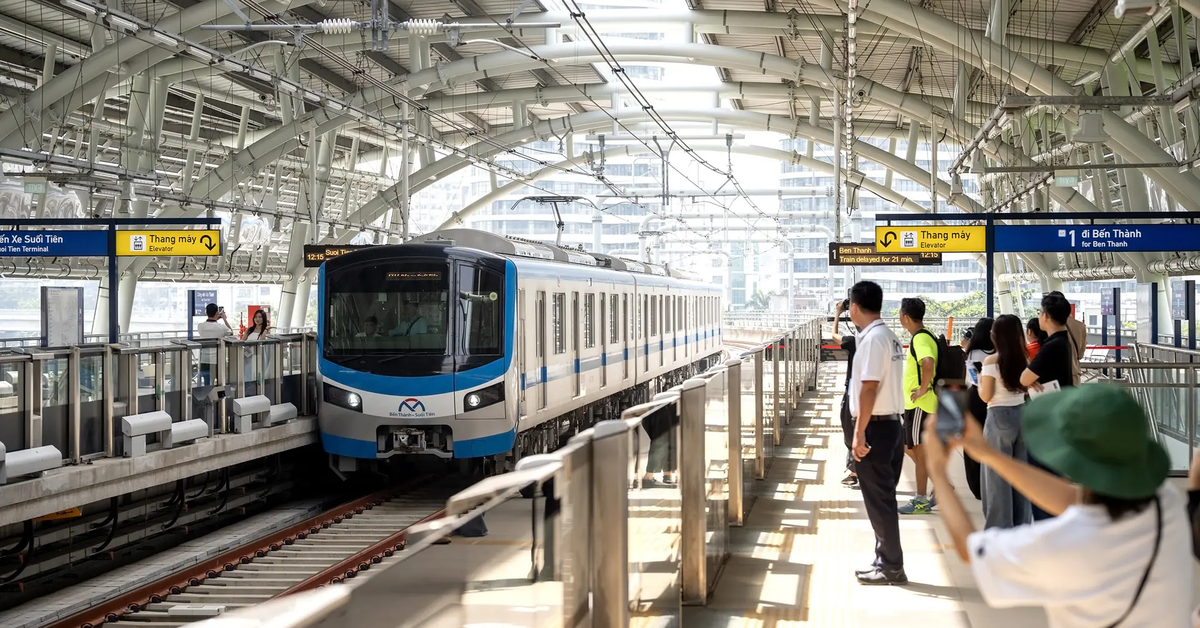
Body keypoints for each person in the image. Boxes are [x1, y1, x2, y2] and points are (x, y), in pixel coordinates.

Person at [923, 385, 1191, 628]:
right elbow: (1071, 498)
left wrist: (937, 469)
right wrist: (989, 455)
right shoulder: (1165, 501)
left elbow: (969, 547)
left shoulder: (1067, 543)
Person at [846, 281, 908, 585]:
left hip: (876, 429)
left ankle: (891, 566)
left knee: (880, 501)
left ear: (855, 307)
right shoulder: (890, 337)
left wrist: (859, 434)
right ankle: (885, 558)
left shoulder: (872, 340)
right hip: (892, 425)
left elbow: (869, 389)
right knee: (884, 499)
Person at [1021, 292, 1076, 522]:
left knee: (1042, 475)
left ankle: (1047, 524)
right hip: (1059, 414)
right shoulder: (1062, 340)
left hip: (1050, 419)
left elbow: (1024, 378)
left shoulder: (1053, 345)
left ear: (1045, 316)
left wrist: (1029, 376)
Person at [978, 314, 1031, 529]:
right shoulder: (1024, 360)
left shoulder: (991, 361)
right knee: (1020, 473)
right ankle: (1021, 525)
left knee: (997, 475)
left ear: (995, 335)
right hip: (1022, 414)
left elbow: (986, 395)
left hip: (998, 416)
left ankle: (999, 527)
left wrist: (980, 381)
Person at [898, 297, 938, 515]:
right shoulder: (925, 335)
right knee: (910, 447)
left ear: (905, 316)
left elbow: (928, 362)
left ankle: (921, 499)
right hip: (919, 406)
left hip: (921, 405)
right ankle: (939, 487)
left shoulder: (920, 339)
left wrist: (922, 389)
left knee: (920, 453)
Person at [963, 317, 995, 501]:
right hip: (993, 398)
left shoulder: (972, 352)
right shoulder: (999, 352)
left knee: (973, 441)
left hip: (975, 397)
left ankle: (976, 486)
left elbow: (974, 378)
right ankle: (990, 483)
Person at [832, 299, 858, 487]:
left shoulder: (854, 341)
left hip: (854, 393)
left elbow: (834, 335)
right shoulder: (879, 338)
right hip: (867, 391)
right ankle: (854, 470)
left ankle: (855, 471)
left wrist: (838, 313)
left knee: (850, 430)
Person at [1047, 290, 1086, 386]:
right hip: (1074, 377)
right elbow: (1080, 355)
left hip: (1052, 380)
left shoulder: (1048, 325)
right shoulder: (1080, 326)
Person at [196, 303, 233, 385]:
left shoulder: (200, 326)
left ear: (206, 313)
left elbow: (211, 324)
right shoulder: (221, 327)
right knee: (221, 382)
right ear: (217, 313)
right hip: (217, 360)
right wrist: (224, 319)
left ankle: (207, 397)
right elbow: (231, 333)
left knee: (207, 383)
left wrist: (216, 318)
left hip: (204, 359)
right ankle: (219, 397)